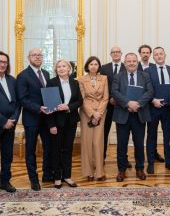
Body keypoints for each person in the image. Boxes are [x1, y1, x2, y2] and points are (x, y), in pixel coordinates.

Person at [111, 53, 153, 182]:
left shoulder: (145, 75)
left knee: (139, 144)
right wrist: (128, 103)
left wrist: (138, 104)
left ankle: (140, 169)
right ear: (125, 63)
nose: (131, 63)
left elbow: (149, 92)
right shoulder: (118, 76)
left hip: (139, 115)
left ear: (137, 62)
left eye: (134, 61)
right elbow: (115, 92)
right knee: (121, 145)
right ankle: (121, 170)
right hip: (123, 114)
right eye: (129, 61)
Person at [16, 48, 52, 191]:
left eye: (39, 55)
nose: (37, 57)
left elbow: (49, 94)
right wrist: (38, 108)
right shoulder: (23, 76)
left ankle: (47, 174)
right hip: (31, 119)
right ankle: (34, 179)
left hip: (47, 118)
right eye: (34, 55)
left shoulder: (46, 73)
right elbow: (22, 99)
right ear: (28, 57)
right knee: (31, 150)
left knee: (48, 147)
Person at [46, 60, 83, 189]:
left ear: (69, 69)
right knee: (56, 150)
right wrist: (51, 125)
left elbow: (79, 101)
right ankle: (57, 177)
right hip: (56, 122)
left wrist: (68, 106)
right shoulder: (51, 82)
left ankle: (67, 176)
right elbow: (49, 106)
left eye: (64, 66)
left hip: (71, 121)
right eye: (58, 66)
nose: (61, 68)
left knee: (68, 150)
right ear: (56, 70)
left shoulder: (75, 82)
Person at [145, 47, 170, 174]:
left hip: (168, 109)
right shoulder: (147, 71)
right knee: (151, 136)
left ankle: (169, 162)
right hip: (153, 109)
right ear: (153, 57)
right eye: (156, 55)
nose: (159, 56)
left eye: (161, 54)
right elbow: (146, 89)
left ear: (165, 55)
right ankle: (151, 164)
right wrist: (153, 100)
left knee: (168, 137)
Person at [78, 56, 109, 181]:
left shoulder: (104, 78)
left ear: (99, 66)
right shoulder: (81, 79)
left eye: (96, 64)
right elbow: (82, 98)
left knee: (98, 142)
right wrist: (92, 114)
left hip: (101, 113)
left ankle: (99, 172)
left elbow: (106, 97)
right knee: (87, 142)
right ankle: (88, 172)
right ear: (87, 66)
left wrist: (98, 114)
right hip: (86, 113)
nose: (93, 66)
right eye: (91, 64)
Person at [100, 46, 129, 165]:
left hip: (122, 105)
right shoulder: (103, 68)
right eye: (113, 52)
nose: (116, 54)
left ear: (121, 54)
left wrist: (119, 99)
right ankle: (101, 157)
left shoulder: (126, 67)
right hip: (107, 105)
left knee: (123, 134)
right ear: (110, 54)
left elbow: (127, 85)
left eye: (118, 52)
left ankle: (124, 159)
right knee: (104, 132)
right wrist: (110, 98)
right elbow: (102, 85)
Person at [138, 44, 164, 163]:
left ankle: (154, 154)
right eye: (143, 52)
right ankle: (141, 156)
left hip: (154, 105)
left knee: (153, 131)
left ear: (150, 55)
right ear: (140, 54)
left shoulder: (155, 66)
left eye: (147, 52)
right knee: (142, 132)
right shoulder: (134, 66)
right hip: (141, 104)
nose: (145, 54)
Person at [0, 51, 21, 193]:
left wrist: (12, 119)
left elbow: (17, 103)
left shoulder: (12, 80)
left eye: (5, 62)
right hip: (1, 122)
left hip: (10, 126)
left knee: (7, 155)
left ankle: (5, 181)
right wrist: (3, 121)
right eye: (0, 61)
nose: (2, 64)